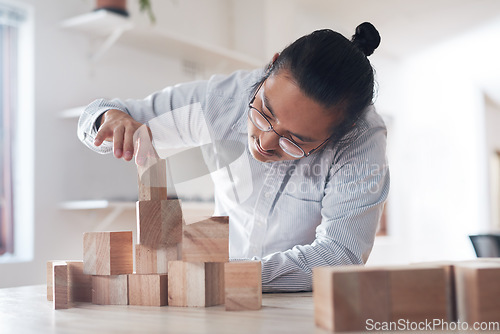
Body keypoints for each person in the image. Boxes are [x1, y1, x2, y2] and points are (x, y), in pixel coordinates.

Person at [78, 22, 390, 292]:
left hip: (302, 301)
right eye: (264, 111)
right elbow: (98, 115)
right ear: (272, 65)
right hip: (215, 290)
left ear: (344, 129)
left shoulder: (360, 139)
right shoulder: (223, 99)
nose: (266, 143)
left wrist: (233, 272)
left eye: (296, 140)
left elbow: (341, 253)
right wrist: (112, 119)